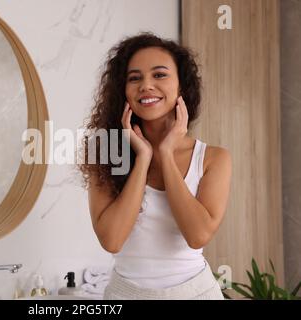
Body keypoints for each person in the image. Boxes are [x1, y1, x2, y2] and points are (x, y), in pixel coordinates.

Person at [78, 32, 232, 299]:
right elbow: (112, 240)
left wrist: (166, 154)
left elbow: (197, 236)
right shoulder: (104, 155)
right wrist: (143, 160)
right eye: (134, 78)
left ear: (181, 86)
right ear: (122, 90)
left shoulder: (213, 158)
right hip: (124, 295)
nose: (146, 85)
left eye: (159, 75)